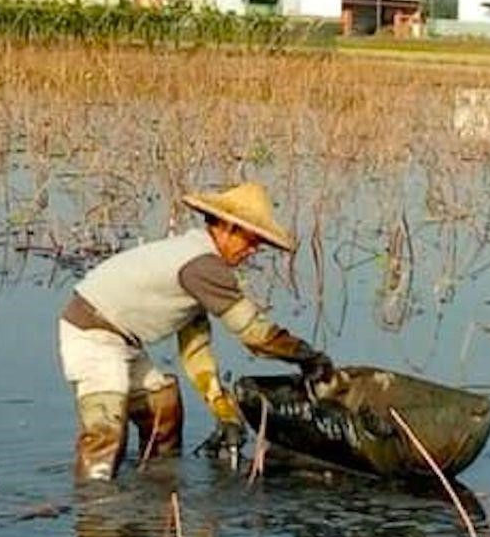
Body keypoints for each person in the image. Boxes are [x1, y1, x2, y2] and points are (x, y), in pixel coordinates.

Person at [57, 182, 332, 481]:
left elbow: (195, 354)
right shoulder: (202, 266)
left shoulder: (198, 265)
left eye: (258, 244)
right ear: (227, 228)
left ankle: (155, 492)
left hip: (121, 339)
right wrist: (307, 357)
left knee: (164, 410)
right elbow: (254, 333)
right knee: (105, 434)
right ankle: (95, 511)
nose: (253, 250)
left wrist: (225, 415)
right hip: (92, 333)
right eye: (251, 240)